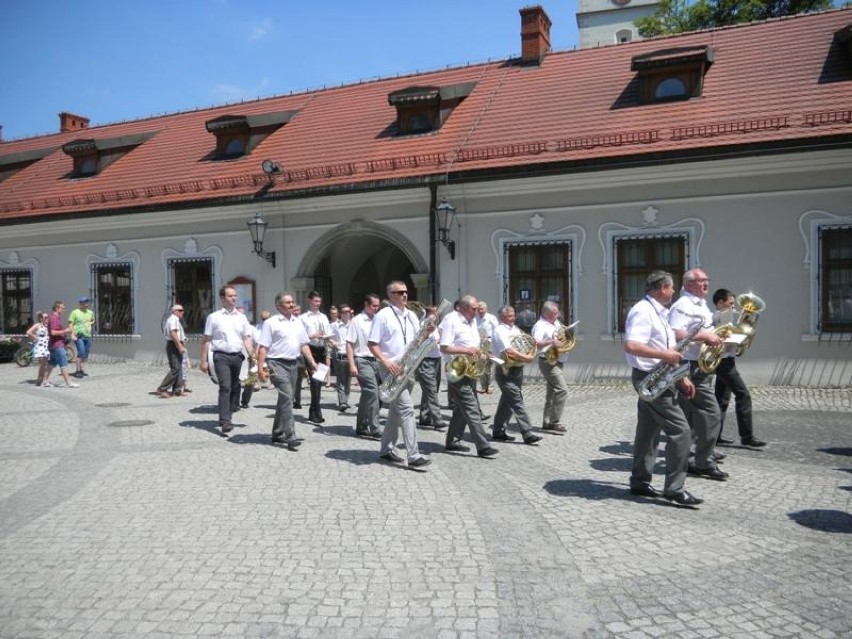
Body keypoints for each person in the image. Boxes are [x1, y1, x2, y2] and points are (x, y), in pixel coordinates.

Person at [624, 271, 702, 507]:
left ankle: (639, 482)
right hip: (649, 378)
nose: (673, 291)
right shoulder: (642, 311)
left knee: (647, 433)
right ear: (661, 288)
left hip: (662, 376)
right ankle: (674, 488)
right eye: (671, 288)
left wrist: (681, 378)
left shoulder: (661, 312)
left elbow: (668, 350)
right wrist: (664, 355)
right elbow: (631, 345)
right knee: (681, 431)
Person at [668, 269, 728, 481]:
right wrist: (704, 336)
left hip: (701, 364)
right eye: (701, 281)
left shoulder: (701, 304)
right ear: (689, 284)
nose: (706, 284)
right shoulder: (683, 305)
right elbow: (675, 332)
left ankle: (698, 453)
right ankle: (702, 461)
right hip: (688, 364)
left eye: (706, 281)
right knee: (711, 412)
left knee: (692, 414)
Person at [368, 281, 432, 470]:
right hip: (391, 368)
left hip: (408, 367)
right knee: (406, 409)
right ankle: (413, 455)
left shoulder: (411, 315)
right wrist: (386, 362)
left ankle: (386, 449)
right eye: (400, 292)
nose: (405, 295)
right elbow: (373, 344)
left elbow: (416, 340)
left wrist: (427, 333)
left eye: (406, 292)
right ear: (391, 295)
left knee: (396, 411)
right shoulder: (383, 316)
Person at [257, 292, 318, 451]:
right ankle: (290, 436)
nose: (291, 304)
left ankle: (277, 433)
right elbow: (263, 347)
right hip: (276, 364)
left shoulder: (298, 322)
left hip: (293, 363)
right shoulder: (271, 323)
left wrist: (312, 362)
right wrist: (260, 368)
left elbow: (304, 344)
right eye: (287, 302)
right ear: (278, 305)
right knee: (287, 397)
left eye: (292, 302)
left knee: (285, 399)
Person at [440, 295, 499, 458]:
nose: (477, 312)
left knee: (461, 409)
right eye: (474, 309)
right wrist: (467, 351)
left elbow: (473, 345)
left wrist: (481, 353)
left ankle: (452, 441)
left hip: (470, 369)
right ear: (464, 308)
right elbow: (444, 347)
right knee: (472, 408)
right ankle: (483, 446)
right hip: (456, 369)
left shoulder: (472, 321)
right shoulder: (451, 320)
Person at [712, 288, 767, 448]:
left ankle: (715, 436)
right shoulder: (718, 317)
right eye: (730, 304)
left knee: (721, 399)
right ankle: (747, 436)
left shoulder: (728, 318)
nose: (733, 307)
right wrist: (735, 336)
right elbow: (719, 339)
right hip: (722, 361)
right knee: (743, 395)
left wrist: (745, 331)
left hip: (728, 359)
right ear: (720, 302)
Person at [199, 286, 255, 436]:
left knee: (236, 386)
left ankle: (228, 414)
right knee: (225, 386)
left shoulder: (241, 317)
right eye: (230, 296)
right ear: (222, 298)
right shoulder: (214, 317)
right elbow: (206, 340)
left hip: (237, 356)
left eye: (235, 295)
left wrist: (253, 355)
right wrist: (203, 360)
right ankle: (225, 420)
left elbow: (247, 339)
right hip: (220, 356)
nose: (234, 298)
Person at [490, 306, 543, 445]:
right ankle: (527, 433)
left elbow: (523, 343)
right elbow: (509, 351)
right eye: (509, 316)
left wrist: (532, 344)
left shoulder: (515, 329)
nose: (513, 318)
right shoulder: (499, 330)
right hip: (505, 370)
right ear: (502, 317)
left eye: (513, 315)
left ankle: (498, 431)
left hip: (517, 369)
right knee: (517, 401)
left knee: (507, 402)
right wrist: (527, 357)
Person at [347, 293, 383, 439]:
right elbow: (349, 343)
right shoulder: (356, 321)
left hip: (378, 361)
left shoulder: (379, 320)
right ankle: (374, 428)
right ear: (366, 305)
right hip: (362, 360)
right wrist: (351, 364)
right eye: (374, 306)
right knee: (372, 392)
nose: (377, 308)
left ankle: (361, 426)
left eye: (378, 306)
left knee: (368, 395)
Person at [531, 301, 570, 435]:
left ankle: (546, 422)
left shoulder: (556, 323)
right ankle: (555, 421)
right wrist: (552, 342)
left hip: (558, 360)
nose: (558, 314)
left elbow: (561, 336)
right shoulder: (540, 325)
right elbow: (535, 342)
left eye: (557, 312)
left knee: (552, 392)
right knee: (562, 390)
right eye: (555, 313)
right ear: (547, 313)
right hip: (548, 361)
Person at [300, 291, 330, 424]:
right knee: (314, 381)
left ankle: (313, 410)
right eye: (315, 301)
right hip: (310, 350)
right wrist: (313, 335)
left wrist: (329, 338)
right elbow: (301, 337)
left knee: (319, 382)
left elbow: (328, 333)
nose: (318, 304)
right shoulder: (303, 318)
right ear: (309, 301)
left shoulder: (323, 317)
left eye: (319, 301)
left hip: (321, 349)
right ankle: (317, 412)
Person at [417, 304, 447, 430]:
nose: (437, 315)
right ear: (429, 314)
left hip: (437, 359)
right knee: (431, 390)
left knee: (430, 390)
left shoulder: (436, 327)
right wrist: (426, 332)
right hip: (425, 360)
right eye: (435, 313)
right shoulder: (424, 325)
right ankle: (437, 418)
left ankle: (424, 417)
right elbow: (417, 342)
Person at [155, 304, 189, 398]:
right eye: (180, 310)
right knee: (176, 368)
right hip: (173, 345)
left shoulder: (175, 320)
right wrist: (179, 346)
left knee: (179, 368)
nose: (182, 312)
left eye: (182, 310)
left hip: (175, 345)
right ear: (175, 311)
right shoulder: (173, 319)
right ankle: (162, 388)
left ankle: (177, 390)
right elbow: (173, 333)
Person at [43, 301, 78, 388]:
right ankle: (69, 382)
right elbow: (53, 332)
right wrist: (66, 331)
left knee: (51, 363)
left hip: (54, 345)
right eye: (62, 308)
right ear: (57, 308)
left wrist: (64, 333)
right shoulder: (54, 318)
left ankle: (45, 381)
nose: (64, 310)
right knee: (63, 363)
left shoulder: (56, 318)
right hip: (57, 345)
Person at [330, 304, 353, 412]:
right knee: (340, 378)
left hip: (350, 354)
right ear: (340, 313)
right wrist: (333, 342)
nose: (347, 314)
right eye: (344, 312)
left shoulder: (353, 324)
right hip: (339, 352)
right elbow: (328, 336)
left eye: (348, 311)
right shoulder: (334, 325)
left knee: (348, 378)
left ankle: (346, 400)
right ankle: (342, 402)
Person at [474, 302, 499, 394]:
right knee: (481, 365)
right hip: (479, 344)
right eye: (478, 309)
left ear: (486, 309)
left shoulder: (491, 318)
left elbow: (497, 330)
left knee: (490, 365)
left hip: (489, 343)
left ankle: (490, 386)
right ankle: (483, 386)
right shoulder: (475, 318)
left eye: (482, 309)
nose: (480, 311)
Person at [68, 296, 95, 378]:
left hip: (87, 336)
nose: (86, 304)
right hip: (79, 336)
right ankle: (78, 371)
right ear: (80, 304)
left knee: (85, 355)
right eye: (84, 302)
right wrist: (72, 334)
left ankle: (81, 369)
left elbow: (93, 320)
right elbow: (70, 323)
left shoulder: (90, 313)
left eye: (87, 302)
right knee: (81, 353)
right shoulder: (75, 312)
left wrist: (90, 325)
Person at [26, 311, 50, 387]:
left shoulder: (48, 325)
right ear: (41, 318)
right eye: (45, 317)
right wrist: (35, 337)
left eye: (47, 317)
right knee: (43, 363)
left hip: (47, 346)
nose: (47, 318)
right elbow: (28, 332)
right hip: (40, 346)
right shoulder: (37, 325)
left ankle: (42, 380)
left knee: (45, 364)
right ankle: (40, 380)